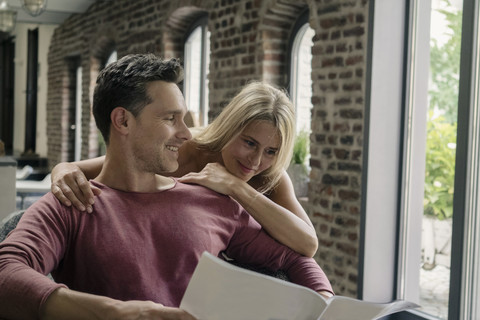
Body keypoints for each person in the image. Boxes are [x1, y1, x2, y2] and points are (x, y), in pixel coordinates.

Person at [0, 53, 333, 320]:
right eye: (171, 118)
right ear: (123, 121)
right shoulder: (73, 203)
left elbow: (298, 258)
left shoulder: (216, 202)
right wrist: (113, 312)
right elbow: (6, 274)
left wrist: (326, 304)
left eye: (184, 119)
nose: (187, 133)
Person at [51, 82, 318, 257]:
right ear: (229, 126)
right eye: (249, 143)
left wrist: (236, 187)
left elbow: (308, 243)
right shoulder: (182, 149)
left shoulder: (270, 178)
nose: (257, 161)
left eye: (271, 151)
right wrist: (62, 170)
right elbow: (78, 168)